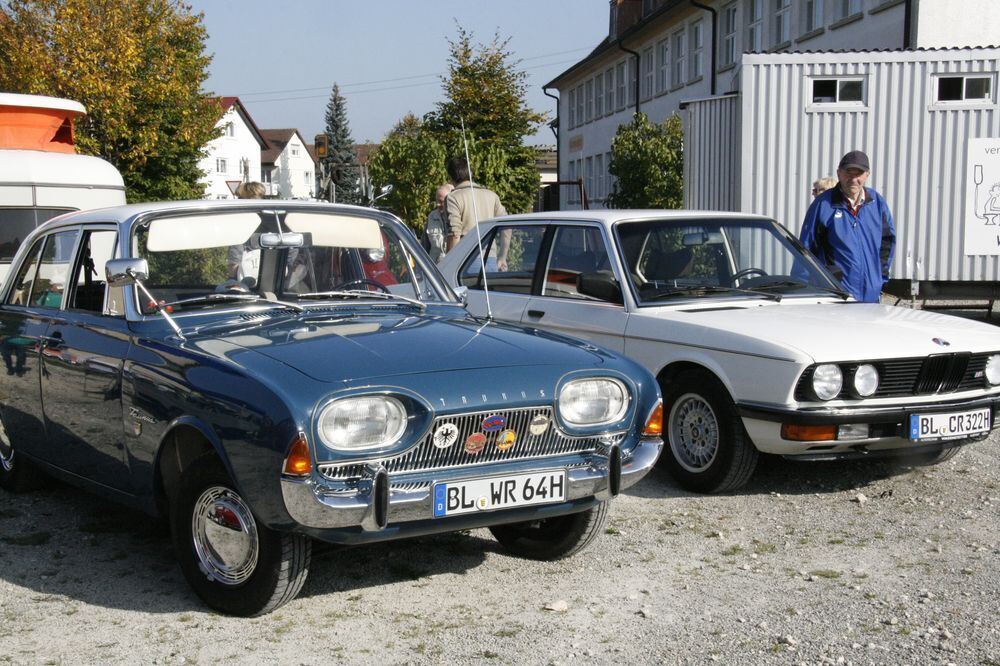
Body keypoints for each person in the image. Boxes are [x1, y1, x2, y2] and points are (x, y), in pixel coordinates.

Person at [799, 150, 895, 303]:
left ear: (867, 175)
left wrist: (879, 277)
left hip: (871, 296)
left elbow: (887, 242)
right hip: (836, 297)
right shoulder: (823, 205)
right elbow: (805, 249)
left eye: (859, 174)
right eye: (848, 173)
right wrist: (803, 289)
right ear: (839, 173)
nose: (853, 179)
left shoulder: (877, 203)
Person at [444, 156, 508, 268]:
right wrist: (502, 256)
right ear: (471, 173)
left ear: (450, 176)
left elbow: (454, 234)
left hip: (466, 260)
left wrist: (450, 264)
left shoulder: (453, 198)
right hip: (490, 258)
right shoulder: (492, 195)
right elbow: (507, 226)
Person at [228, 181, 266, 279]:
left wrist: (233, 276)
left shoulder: (242, 219)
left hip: (248, 277)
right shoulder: (275, 215)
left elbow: (235, 251)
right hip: (275, 276)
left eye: (240, 197)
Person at [422, 183, 453, 262]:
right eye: (436, 200)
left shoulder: (458, 217)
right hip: (435, 268)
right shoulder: (431, 217)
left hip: (453, 265)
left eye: (441, 201)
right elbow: (424, 245)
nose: (437, 204)